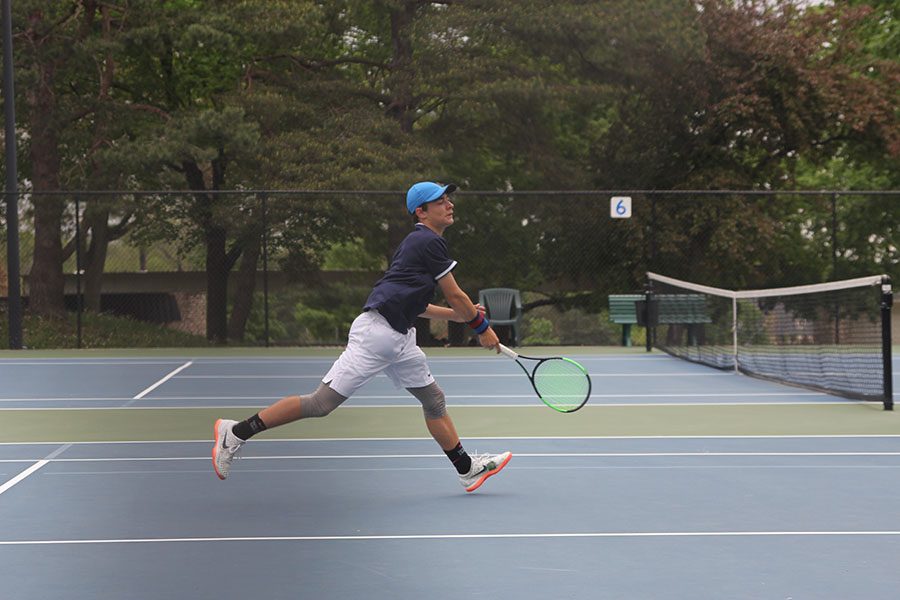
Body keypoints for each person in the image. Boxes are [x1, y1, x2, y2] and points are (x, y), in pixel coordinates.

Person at [212, 181, 512, 492]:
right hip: (377, 335)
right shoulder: (427, 242)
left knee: (433, 399)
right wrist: (481, 328)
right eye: (440, 202)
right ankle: (235, 432)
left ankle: (466, 469)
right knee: (320, 404)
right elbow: (455, 293)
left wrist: (458, 315)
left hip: (399, 336)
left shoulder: (420, 245)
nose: (449, 205)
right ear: (421, 212)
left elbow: (416, 304)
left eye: (448, 199)